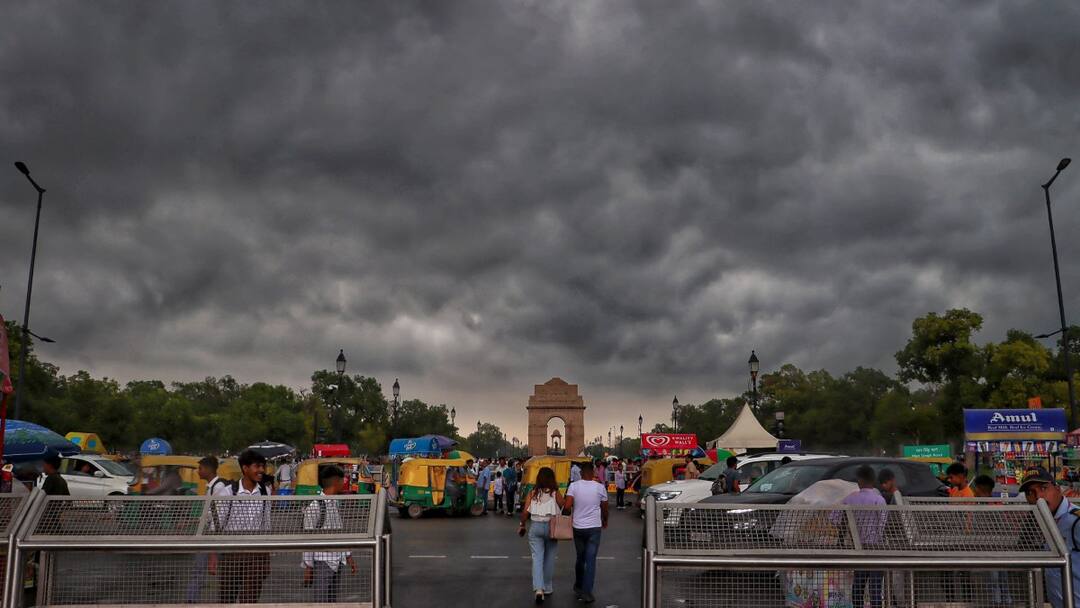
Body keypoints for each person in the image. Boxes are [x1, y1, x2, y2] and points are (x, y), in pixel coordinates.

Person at [210, 449, 272, 603]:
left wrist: (267, 556)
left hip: (256, 554)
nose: (261, 471)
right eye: (257, 466)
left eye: (262, 466)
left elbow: (266, 523)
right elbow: (216, 526)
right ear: (245, 468)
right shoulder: (227, 493)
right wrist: (213, 555)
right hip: (231, 552)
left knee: (250, 599)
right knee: (227, 598)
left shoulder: (266, 492)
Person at [1023, 467, 1080, 608]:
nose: (1038, 497)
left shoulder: (1075, 521)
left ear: (1057, 489)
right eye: (1030, 492)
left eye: (1043, 488)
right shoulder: (1039, 521)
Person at [302, 465, 358, 602]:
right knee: (321, 601)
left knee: (332, 600)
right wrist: (308, 567)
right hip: (322, 562)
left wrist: (348, 556)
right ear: (335, 482)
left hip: (337, 560)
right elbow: (308, 538)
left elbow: (339, 531)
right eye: (342, 480)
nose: (344, 483)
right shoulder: (315, 506)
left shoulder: (334, 502)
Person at [841, 465, 886, 608]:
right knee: (875, 588)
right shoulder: (879, 500)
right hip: (876, 549)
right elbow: (883, 524)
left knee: (858, 586)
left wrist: (845, 534)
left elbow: (834, 518)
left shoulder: (849, 499)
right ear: (873, 480)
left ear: (859, 480)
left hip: (858, 549)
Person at [519, 466, 565, 604]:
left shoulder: (533, 493)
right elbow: (565, 506)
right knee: (550, 557)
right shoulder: (555, 493)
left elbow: (525, 513)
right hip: (552, 527)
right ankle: (548, 587)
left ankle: (539, 589)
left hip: (536, 527)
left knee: (537, 558)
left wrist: (522, 525)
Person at [565, 461, 608, 604]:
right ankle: (587, 592)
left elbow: (567, 506)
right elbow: (605, 508)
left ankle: (578, 585)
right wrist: (605, 520)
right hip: (594, 528)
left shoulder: (574, 486)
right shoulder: (600, 487)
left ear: (581, 473)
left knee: (580, 558)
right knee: (591, 561)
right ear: (594, 472)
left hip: (578, 527)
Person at [188, 457, 226, 603]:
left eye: (200, 469)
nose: (198, 472)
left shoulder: (218, 488)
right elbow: (211, 514)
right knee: (199, 571)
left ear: (208, 470)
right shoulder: (212, 487)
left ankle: (191, 601)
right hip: (211, 536)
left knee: (199, 571)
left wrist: (213, 549)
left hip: (212, 537)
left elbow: (218, 517)